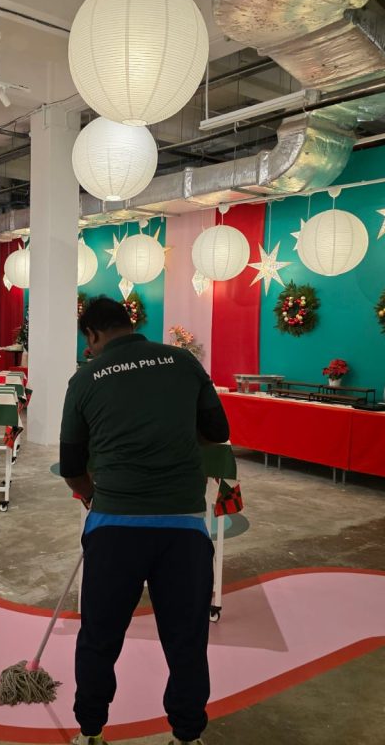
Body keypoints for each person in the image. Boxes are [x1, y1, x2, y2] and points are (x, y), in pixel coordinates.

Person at [60, 297, 230, 745]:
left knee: (99, 637)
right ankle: (187, 735)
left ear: (92, 334)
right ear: (129, 323)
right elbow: (219, 432)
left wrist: (93, 496)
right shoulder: (183, 362)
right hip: (184, 530)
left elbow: (71, 466)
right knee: (186, 641)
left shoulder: (85, 378)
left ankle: (90, 731)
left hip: (114, 528)